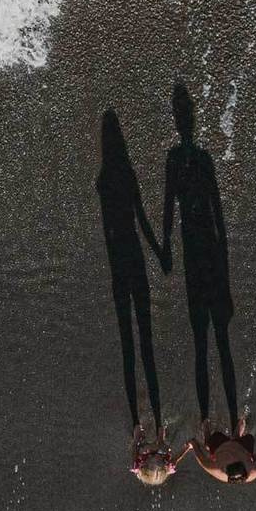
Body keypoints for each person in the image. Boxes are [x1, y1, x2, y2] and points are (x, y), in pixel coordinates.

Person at [96, 109, 173, 479]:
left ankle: (153, 421)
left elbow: (138, 216)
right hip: (122, 255)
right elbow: (139, 217)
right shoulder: (112, 177)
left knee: (141, 343)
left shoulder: (115, 176)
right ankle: (147, 421)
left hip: (123, 255)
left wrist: (158, 252)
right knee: (135, 343)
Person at [162, 82, 242, 436]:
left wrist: (165, 246)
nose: (186, 121)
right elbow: (217, 214)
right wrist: (224, 265)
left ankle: (210, 422)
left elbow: (170, 208)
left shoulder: (176, 159)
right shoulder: (195, 158)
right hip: (205, 249)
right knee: (216, 339)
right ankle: (225, 420)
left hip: (196, 249)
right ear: (189, 121)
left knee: (206, 340)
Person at [188, 417, 256, 485]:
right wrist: (245, 452)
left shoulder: (215, 469)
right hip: (241, 446)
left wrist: (194, 444)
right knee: (240, 437)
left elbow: (201, 460)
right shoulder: (255, 470)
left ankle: (206, 426)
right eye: (236, 459)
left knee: (208, 445)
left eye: (229, 459)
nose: (232, 455)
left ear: (224, 469)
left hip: (221, 446)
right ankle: (239, 430)